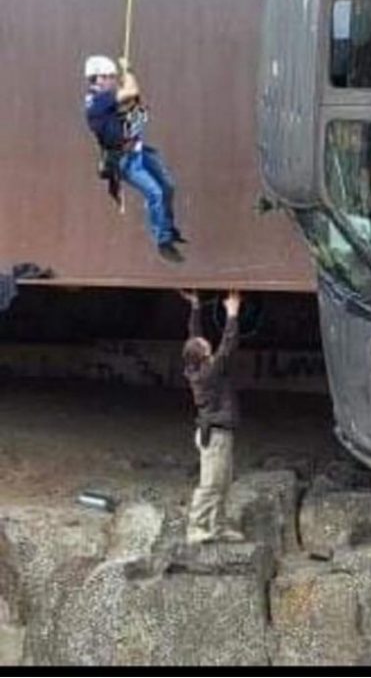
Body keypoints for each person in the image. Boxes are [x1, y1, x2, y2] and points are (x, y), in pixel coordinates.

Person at [83, 54, 186, 262]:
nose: (113, 80)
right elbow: (132, 91)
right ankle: (163, 241)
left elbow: (130, 100)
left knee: (167, 187)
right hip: (125, 160)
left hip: (137, 150)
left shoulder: (105, 100)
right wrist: (128, 70)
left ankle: (167, 228)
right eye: (110, 77)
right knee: (155, 193)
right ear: (98, 79)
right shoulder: (98, 100)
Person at [182, 289, 245, 545]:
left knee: (223, 483)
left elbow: (193, 336)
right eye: (204, 344)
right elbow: (227, 347)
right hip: (216, 435)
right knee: (210, 484)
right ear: (204, 354)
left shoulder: (196, 366)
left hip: (219, 433)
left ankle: (218, 527)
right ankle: (196, 527)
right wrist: (232, 313)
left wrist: (196, 308)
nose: (205, 340)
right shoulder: (209, 373)